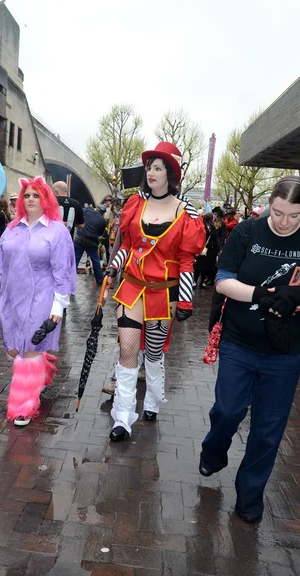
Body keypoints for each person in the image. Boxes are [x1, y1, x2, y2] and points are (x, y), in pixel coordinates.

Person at [200, 175, 300, 524]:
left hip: (285, 353)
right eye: (278, 212)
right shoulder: (247, 232)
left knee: (268, 430)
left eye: (294, 216)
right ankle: (214, 449)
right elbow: (223, 280)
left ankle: (250, 495)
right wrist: (258, 294)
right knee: (228, 411)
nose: (285, 222)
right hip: (240, 342)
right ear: (269, 204)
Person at [104, 141, 205, 442]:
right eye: (150, 167)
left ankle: (151, 401)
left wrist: (186, 300)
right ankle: (122, 416)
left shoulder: (187, 214)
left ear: (171, 173)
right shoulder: (135, 205)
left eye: (159, 168)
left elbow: (186, 262)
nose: (151, 172)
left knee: (154, 352)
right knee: (127, 350)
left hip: (164, 294)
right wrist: (113, 268)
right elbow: (127, 246)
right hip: (133, 289)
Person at [0, 176, 76, 426]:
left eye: (36, 195)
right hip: (11, 298)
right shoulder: (11, 229)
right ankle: (42, 368)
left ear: (46, 199)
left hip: (42, 298)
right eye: (26, 195)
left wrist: (57, 307)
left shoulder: (57, 231)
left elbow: (62, 272)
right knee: (14, 349)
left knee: (27, 350)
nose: (30, 199)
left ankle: (23, 406)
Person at [74, 204, 107, 285]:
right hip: (92, 242)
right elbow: (100, 233)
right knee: (95, 260)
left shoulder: (87, 211)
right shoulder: (103, 221)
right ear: (103, 212)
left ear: (97, 208)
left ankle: (69, 280)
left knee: (75, 260)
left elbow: (79, 215)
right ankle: (99, 280)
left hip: (79, 238)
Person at [193, 213, 220, 288]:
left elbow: (215, 239)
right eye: (211, 218)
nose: (213, 219)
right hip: (202, 248)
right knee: (198, 266)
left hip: (210, 250)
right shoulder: (201, 226)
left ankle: (202, 282)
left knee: (206, 267)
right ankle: (194, 280)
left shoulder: (212, 227)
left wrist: (218, 249)